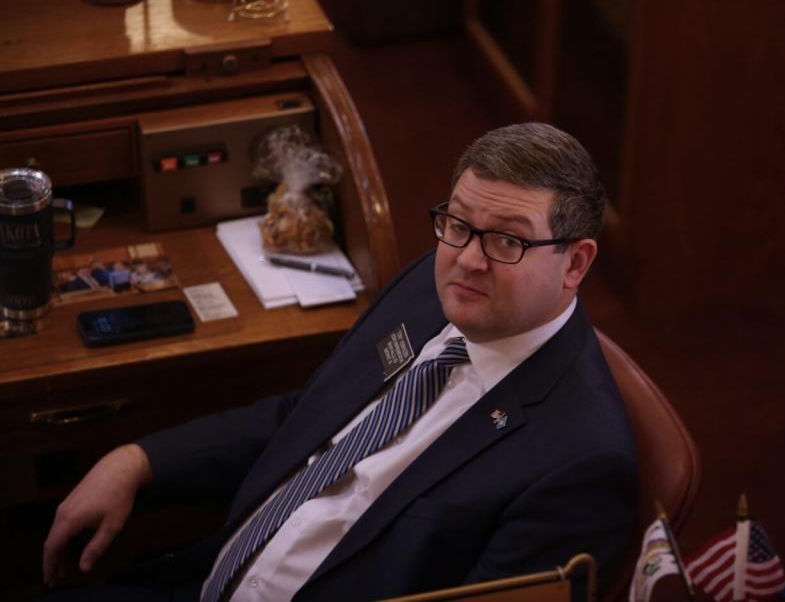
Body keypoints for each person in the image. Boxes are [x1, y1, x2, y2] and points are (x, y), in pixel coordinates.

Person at [42, 123, 638, 601]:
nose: (467, 261)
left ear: (576, 264)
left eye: (507, 240)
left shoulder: (581, 466)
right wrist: (139, 461)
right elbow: (302, 417)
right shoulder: (428, 290)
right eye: (458, 224)